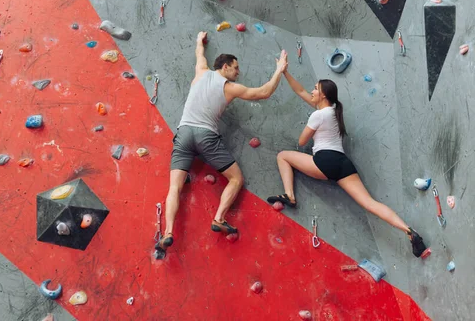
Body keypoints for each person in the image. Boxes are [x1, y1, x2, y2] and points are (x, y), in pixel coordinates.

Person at [267, 71, 428, 258]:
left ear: (323, 95)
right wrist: (285, 72)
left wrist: (309, 130)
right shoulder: (334, 111)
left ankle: (290, 195)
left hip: (324, 161)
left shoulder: (317, 116)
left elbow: (302, 141)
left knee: (283, 156)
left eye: (315, 89)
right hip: (343, 163)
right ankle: (410, 232)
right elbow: (301, 91)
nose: (311, 91)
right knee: (370, 203)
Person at [155, 31, 288, 255]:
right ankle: (219, 218)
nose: (238, 72)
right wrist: (279, 70)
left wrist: (199, 40)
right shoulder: (229, 87)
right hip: (206, 136)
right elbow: (263, 92)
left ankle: (168, 232)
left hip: (184, 133)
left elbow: (199, 54)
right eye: (235, 67)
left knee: (174, 188)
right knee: (236, 178)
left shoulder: (200, 72)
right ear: (225, 67)